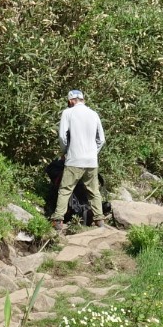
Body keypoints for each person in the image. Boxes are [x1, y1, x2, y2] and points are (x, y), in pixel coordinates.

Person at [52, 89, 105, 228]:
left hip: (74, 159)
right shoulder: (94, 114)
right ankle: (99, 220)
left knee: (65, 190)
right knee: (94, 191)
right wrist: (94, 152)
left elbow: (62, 136)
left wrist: (65, 152)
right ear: (82, 99)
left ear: (70, 101)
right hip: (92, 161)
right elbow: (102, 139)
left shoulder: (68, 113)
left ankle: (58, 220)